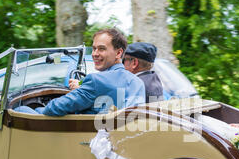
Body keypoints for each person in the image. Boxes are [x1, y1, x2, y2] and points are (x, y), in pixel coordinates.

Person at [15, 28, 146, 115]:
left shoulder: (96, 81)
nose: (95, 54)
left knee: (22, 109)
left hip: (89, 140)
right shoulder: (137, 82)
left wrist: (38, 108)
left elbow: (55, 108)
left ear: (118, 53)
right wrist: (81, 89)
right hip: (120, 140)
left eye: (101, 49)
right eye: (94, 49)